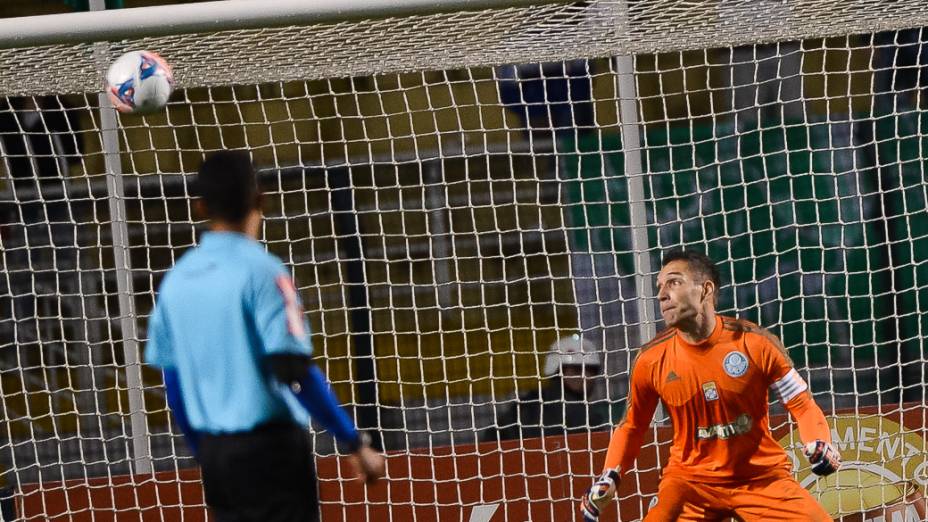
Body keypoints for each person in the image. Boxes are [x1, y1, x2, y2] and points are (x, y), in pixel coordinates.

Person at [144, 150, 385, 522]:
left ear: (200, 207)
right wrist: (353, 442)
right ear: (261, 199)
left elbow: (173, 383)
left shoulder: (175, 281)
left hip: (216, 455)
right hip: (272, 451)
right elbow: (293, 368)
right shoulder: (263, 271)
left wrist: (202, 449)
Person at [580, 250, 840, 521]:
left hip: (760, 478)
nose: (661, 295)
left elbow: (802, 404)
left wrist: (820, 441)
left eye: (673, 282)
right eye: (659, 287)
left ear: (705, 289)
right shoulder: (651, 359)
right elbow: (632, 426)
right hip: (690, 484)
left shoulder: (756, 343)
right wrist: (610, 474)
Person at [482, 334, 609, 442]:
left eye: (591, 370)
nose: (584, 376)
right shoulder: (585, 417)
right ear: (557, 371)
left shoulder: (524, 406)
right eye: (576, 369)